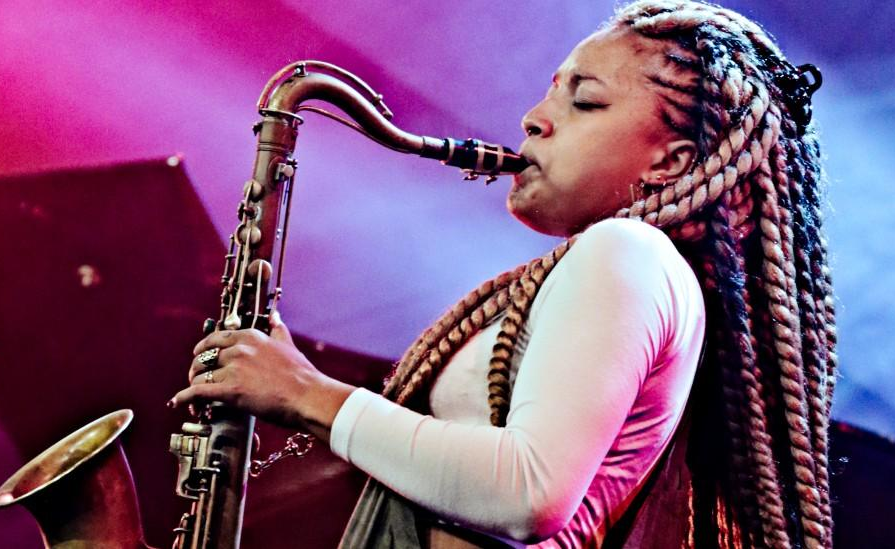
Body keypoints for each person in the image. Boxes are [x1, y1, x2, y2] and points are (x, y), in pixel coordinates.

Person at [169, 1, 835, 547]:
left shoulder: (628, 251)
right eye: (551, 92)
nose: (534, 120)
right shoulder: (604, 266)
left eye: (585, 102)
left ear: (671, 161)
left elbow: (528, 492)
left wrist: (304, 393)